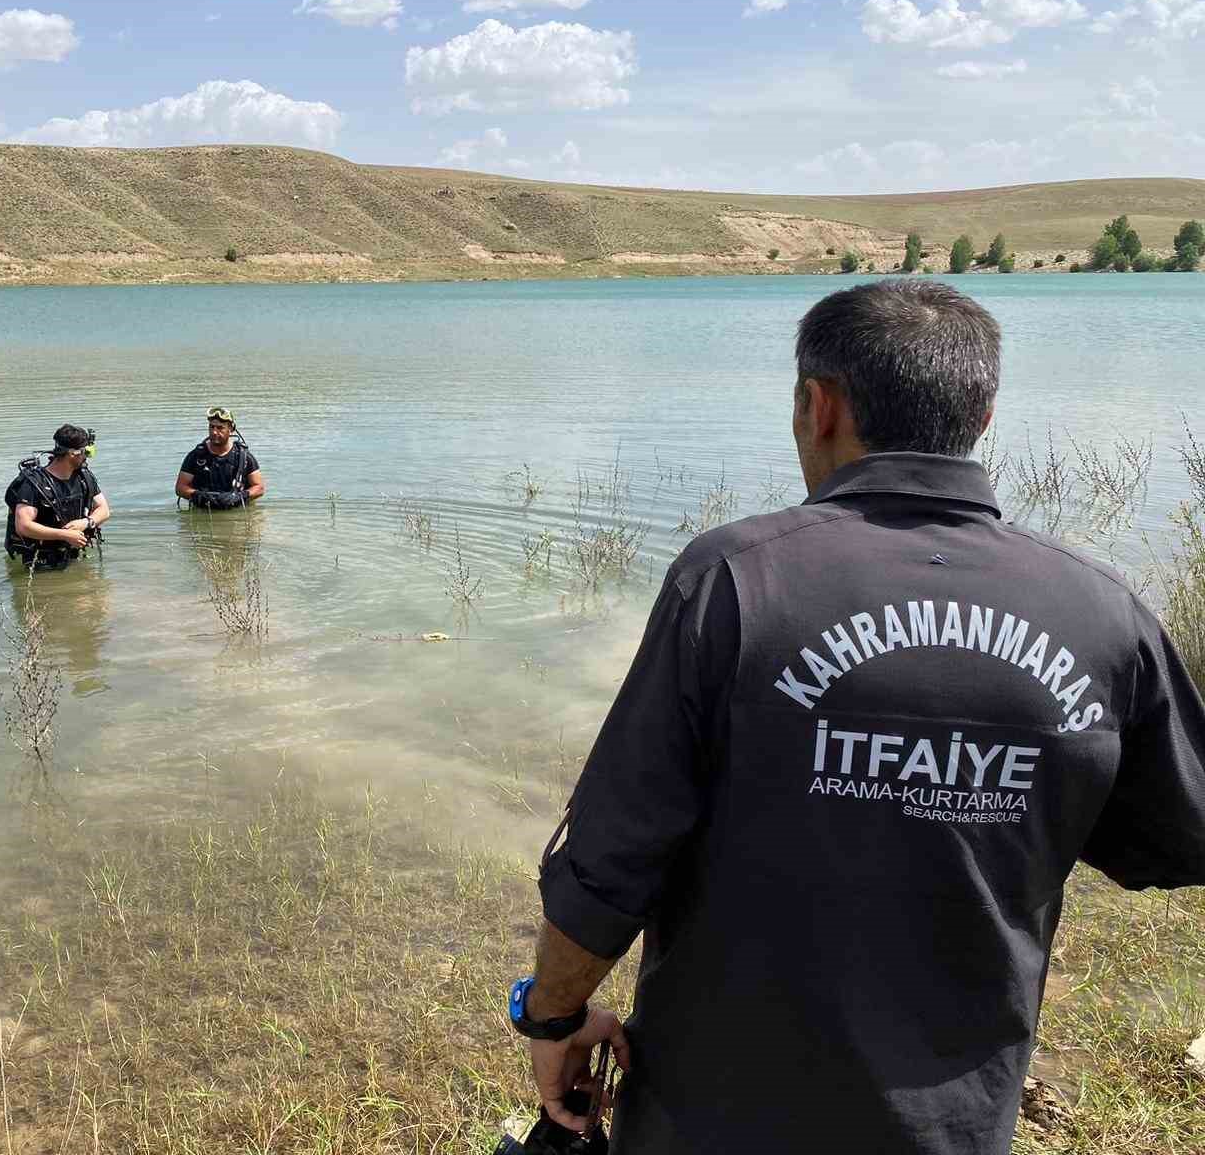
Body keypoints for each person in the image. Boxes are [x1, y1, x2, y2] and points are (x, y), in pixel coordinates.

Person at [508, 280, 1205, 1154]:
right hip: (951, 1125)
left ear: (818, 405)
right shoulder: (1101, 609)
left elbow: (610, 857)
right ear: (983, 418)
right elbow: (1178, 839)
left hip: (714, 1115)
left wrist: (552, 1015)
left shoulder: (732, 580)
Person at [4, 424, 110, 571]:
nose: (88, 457)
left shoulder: (84, 478)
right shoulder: (33, 484)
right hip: (38, 562)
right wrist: (64, 535)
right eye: (87, 452)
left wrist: (86, 522)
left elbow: (103, 509)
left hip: (73, 555)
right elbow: (23, 526)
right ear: (73, 453)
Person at [175, 406, 264, 509]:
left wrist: (239, 497)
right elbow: (180, 488)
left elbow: (259, 488)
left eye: (220, 428)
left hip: (236, 513)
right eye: (212, 427)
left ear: (231, 429)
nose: (214, 432)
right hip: (204, 511)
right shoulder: (196, 456)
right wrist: (199, 496)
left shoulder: (243, 457)